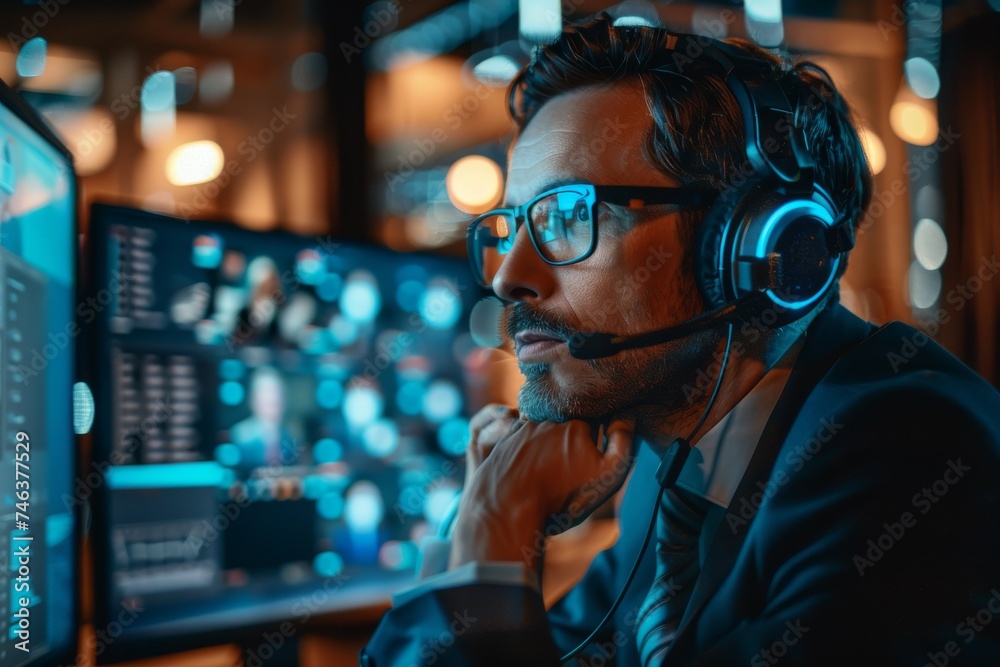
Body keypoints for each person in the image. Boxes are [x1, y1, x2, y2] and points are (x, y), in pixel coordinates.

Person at [360, 14, 1000, 666]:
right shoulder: (668, 471)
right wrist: (478, 517)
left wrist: (494, 535)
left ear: (756, 244)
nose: (506, 277)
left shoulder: (906, 447)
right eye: (515, 223)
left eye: (568, 216)